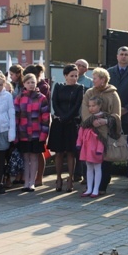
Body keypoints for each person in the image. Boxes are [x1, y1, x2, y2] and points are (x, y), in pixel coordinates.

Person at [80, 68, 121, 194]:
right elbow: (85, 110)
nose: (93, 81)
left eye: (95, 78)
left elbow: (116, 113)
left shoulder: (113, 93)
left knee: (105, 160)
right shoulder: (89, 93)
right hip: (91, 133)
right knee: (89, 160)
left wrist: (106, 121)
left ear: (103, 79)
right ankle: (89, 186)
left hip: (106, 132)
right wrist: (92, 121)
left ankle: (102, 186)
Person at [49, 64, 83, 192]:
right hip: (58, 122)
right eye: (71, 76)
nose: (74, 78)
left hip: (71, 123)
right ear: (65, 76)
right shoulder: (58, 86)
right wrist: (61, 116)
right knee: (58, 152)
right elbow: (55, 102)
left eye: (76, 76)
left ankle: (70, 178)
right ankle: (58, 178)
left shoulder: (80, 88)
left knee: (71, 152)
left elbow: (77, 104)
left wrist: (67, 117)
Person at [14, 73, 50, 192]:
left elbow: (45, 118)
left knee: (34, 157)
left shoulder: (42, 98)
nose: (31, 85)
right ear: (24, 84)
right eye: (28, 82)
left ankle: (32, 182)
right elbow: (16, 116)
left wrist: (44, 134)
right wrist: (15, 133)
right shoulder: (19, 98)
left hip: (36, 133)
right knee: (25, 157)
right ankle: (26, 182)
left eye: (33, 82)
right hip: (23, 132)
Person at [77, 97, 105, 198]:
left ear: (99, 106)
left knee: (97, 168)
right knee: (88, 167)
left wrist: (100, 149)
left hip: (96, 148)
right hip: (86, 147)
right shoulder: (87, 118)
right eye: (90, 106)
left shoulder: (102, 118)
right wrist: (79, 143)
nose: (91, 108)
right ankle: (89, 188)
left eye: (94, 106)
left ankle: (96, 189)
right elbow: (81, 131)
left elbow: (103, 136)